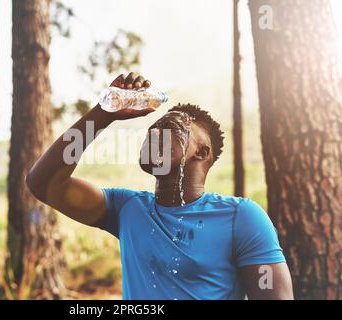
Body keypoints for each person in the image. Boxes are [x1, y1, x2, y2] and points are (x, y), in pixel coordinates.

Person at [26, 72, 294, 300]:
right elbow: (43, 183)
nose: (156, 133)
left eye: (172, 129)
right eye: (153, 128)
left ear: (201, 152)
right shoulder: (125, 209)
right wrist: (103, 114)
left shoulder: (242, 217)